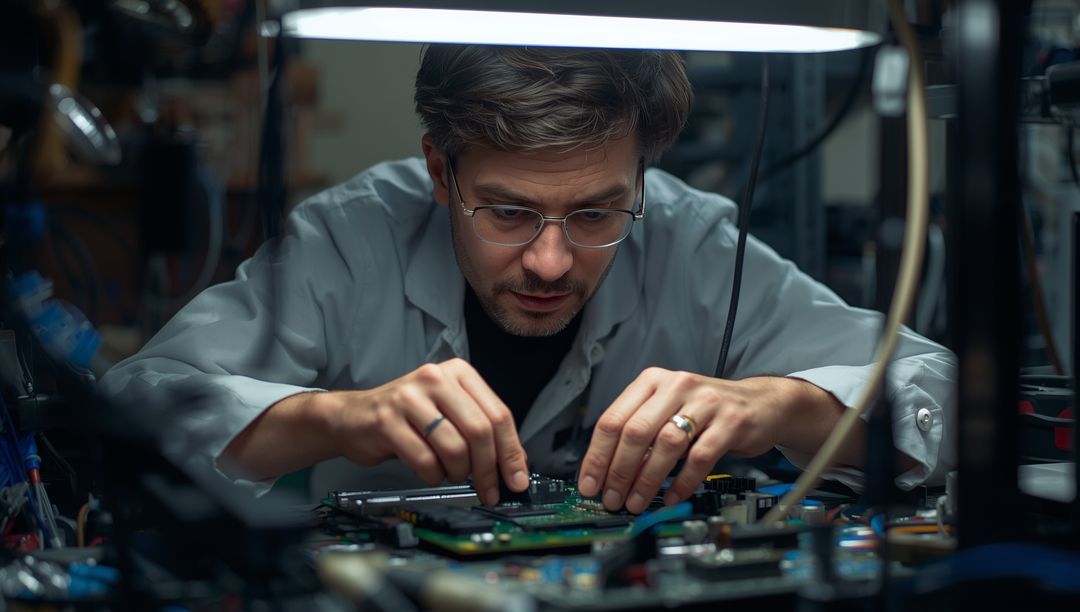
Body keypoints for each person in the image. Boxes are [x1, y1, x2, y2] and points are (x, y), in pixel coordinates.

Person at [100, 45, 956, 513]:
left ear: (644, 179)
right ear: (442, 174)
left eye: (595, 215)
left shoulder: (692, 242)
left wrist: (785, 405)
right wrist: (335, 419)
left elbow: (941, 395)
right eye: (507, 213)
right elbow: (133, 408)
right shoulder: (352, 237)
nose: (550, 262)